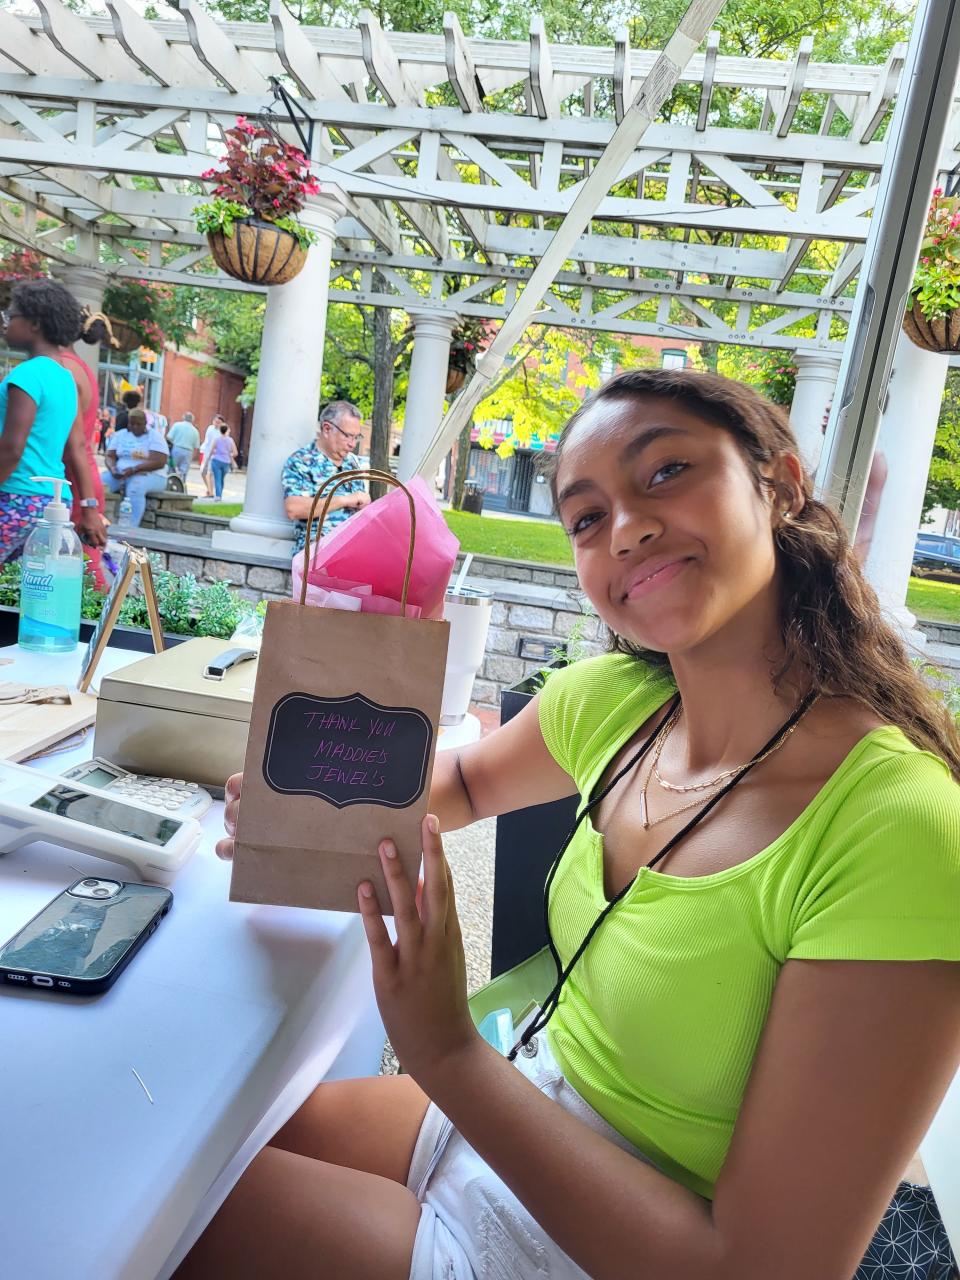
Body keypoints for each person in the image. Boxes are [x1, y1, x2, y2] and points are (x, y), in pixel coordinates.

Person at [185, 368, 960, 1280]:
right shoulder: (617, 704)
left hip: (618, 1241)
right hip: (528, 1105)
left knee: (169, 1223)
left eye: (666, 472)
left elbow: (759, 1270)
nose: (626, 527)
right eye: (587, 518)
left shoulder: (903, 832)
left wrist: (441, 1047)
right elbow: (465, 782)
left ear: (781, 486)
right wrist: (308, 800)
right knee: (187, 1149)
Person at [0, 280, 106, 564]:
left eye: (11, 316)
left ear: (34, 323)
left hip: (14, 495)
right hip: (50, 502)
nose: (6, 323)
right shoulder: (65, 378)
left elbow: (11, 449)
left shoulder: (28, 375)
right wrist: (89, 507)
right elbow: (77, 447)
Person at [60, 308, 114, 588]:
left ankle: (106, 630)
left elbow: (73, 443)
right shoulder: (75, 364)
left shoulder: (65, 368)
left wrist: (88, 505)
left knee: (87, 575)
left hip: (77, 481)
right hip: (81, 479)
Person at [281, 400, 370, 554]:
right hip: (316, 559)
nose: (352, 444)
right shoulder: (302, 461)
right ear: (327, 429)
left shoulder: (353, 464)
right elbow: (294, 509)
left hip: (352, 555)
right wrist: (344, 500)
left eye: (357, 437)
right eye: (348, 436)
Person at [102, 407, 168, 527]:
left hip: (150, 474)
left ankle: (131, 527)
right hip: (121, 473)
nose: (135, 427)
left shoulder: (154, 437)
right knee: (100, 483)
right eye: (132, 423)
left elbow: (159, 461)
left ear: (145, 423)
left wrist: (134, 469)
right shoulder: (121, 435)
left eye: (139, 424)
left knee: (135, 488)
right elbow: (110, 455)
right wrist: (113, 468)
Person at [167, 411, 201, 485]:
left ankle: (170, 484)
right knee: (183, 471)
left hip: (176, 449)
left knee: (172, 468)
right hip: (188, 452)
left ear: (183, 417)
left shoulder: (177, 425)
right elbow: (196, 446)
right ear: (192, 420)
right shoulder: (195, 431)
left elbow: (169, 437)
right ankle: (181, 485)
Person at [208, 422, 237, 500]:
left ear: (220, 431)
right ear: (227, 430)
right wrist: (229, 455)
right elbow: (235, 453)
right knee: (221, 479)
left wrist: (209, 458)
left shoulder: (217, 439)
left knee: (217, 478)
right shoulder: (230, 440)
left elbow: (211, 450)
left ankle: (218, 495)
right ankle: (220, 493)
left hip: (216, 460)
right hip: (226, 462)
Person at [199, 415, 225, 499]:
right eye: (215, 421)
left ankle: (210, 492)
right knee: (203, 472)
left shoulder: (222, 432)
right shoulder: (210, 428)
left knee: (210, 474)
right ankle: (209, 489)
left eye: (218, 422)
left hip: (215, 455)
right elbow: (207, 441)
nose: (216, 424)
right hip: (206, 453)